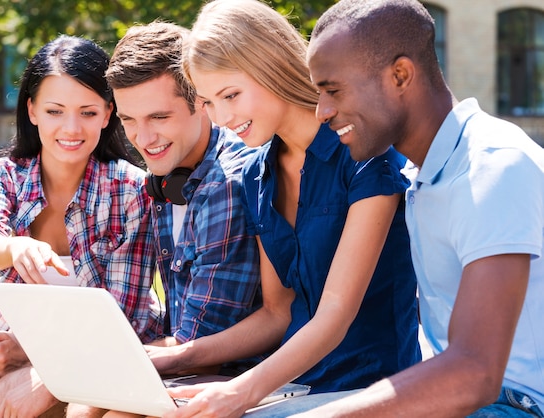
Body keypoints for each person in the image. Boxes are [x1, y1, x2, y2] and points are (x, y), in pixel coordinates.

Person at [105, 1, 420, 417]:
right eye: (210, 103)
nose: (222, 118)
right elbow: (276, 313)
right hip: (292, 386)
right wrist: (170, 358)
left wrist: (240, 392)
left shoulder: (364, 154)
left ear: (269, 66)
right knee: (111, 406)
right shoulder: (256, 173)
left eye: (231, 95)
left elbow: (334, 317)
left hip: (369, 389)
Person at [290, 0, 544, 416]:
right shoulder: (422, 175)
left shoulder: (493, 167)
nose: (323, 112)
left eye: (332, 90)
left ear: (400, 75)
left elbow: (475, 372)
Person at [0, 35, 162, 418]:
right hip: (21, 342)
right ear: (31, 111)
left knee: (78, 404)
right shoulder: (5, 177)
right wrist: (15, 247)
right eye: (55, 111)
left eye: (88, 112)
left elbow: (122, 312)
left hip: (110, 351)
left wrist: (36, 362)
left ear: (108, 113)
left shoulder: (131, 189)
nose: (72, 128)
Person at [69, 20, 264, 418]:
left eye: (158, 117)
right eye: (129, 120)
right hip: (181, 364)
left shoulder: (222, 186)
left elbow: (199, 347)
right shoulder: (166, 177)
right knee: (82, 400)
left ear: (201, 102)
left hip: (236, 377)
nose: (143, 139)